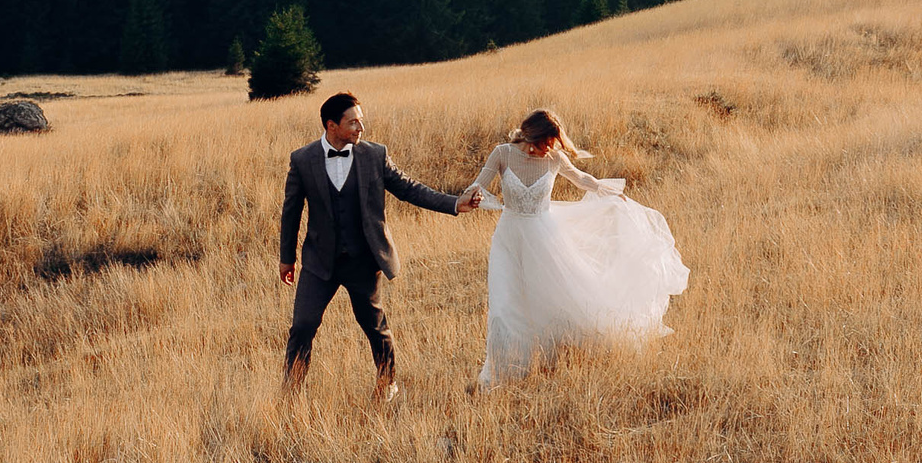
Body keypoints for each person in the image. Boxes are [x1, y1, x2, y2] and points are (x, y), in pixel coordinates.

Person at [460, 108, 688, 389]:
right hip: (508, 238)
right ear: (532, 136)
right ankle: (501, 372)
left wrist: (613, 194)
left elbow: (582, 180)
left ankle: (551, 357)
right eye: (545, 143)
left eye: (553, 144)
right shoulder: (503, 153)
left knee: (551, 298)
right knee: (504, 304)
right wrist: (468, 197)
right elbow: (478, 183)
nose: (549, 149)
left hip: (544, 237)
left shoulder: (555, 158)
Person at [279, 91, 481, 404]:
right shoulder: (302, 159)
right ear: (332, 126)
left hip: (363, 260)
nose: (361, 128)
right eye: (353, 122)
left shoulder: (375, 155)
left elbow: (410, 189)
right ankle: (290, 394)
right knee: (303, 325)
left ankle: (387, 384)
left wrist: (455, 203)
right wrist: (286, 258)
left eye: (361, 120)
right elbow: (291, 211)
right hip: (319, 262)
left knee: (374, 326)